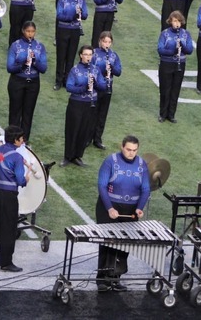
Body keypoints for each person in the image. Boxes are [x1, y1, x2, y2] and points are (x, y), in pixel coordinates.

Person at [95, 136, 150, 291]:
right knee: (107, 242)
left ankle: (116, 277)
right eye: (128, 149)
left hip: (130, 209)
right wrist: (109, 208)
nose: (131, 153)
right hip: (109, 206)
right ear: (122, 147)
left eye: (134, 150)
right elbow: (101, 185)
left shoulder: (142, 165)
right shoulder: (110, 161)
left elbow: (146, 188)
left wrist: (140, 207)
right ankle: (102, 279)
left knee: (123, 243)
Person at [0, 125, 29, 274]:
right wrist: (27, 179)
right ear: (15, 140)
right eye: (21, 139)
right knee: (8, 229)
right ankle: (5, 263)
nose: (22, 141)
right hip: (8, 196)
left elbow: (2, 160)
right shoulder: (17, 157)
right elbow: (20, 180)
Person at [61, 45, 106, 168]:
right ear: (81, 55)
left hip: (90, 104)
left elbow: (103, 85)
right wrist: (84, 88)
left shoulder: (96, 70)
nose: (88, 57)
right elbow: (69, 87)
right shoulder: (75, 70)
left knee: (84, 130)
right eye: (85, 54)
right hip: (76, 104)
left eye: (90, 55)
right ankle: (68, 156)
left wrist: (95, 83)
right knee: (72, 129)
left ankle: (77, 156)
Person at [7, 21, 48, 142]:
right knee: (15, 112)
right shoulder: (15, 45)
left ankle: (24, 140)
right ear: (23, 31)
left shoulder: (40, 46)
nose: (30, 34)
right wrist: (23, 64)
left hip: (33, 83)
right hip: (17, 82)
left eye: (32, 31)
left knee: (28, 113)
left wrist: (34, 61)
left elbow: (43, 69)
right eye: (28, 31)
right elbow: (10, 67)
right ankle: (12, 139)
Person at [157, 11, 193, 123]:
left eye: (179, 21)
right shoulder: (165, 33)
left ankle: (171, 114)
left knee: (175, 90)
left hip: (179, 64)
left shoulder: (186, 34)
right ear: (170, 22)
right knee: (165, 89)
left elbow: (190, 50)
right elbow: (160, 49)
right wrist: (173, 50)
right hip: (166, 64)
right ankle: (163, 114)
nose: (177, 23)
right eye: (175, 21)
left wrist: (182, 45)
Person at [90, 32, 122, 149]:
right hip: (96, 87)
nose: (106, 44)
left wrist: (111, 68)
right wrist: (102, 70)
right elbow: (89, 68)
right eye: (104, 42)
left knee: (102, 114)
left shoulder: (113, 55)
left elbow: (118, 72)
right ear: (100, 41)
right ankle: (87, 138)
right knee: (92, 113)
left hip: (108, 87)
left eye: (109, 42)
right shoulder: (94, 53)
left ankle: (97, 139)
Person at [55, 0, 88, 90]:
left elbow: (85, 15)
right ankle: (58, 80)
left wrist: (81, 13)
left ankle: (67, 80)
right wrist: (72, 16)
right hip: (63, 30)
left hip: (75, 31)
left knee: (71, 56)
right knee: (61, 56)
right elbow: (59, 15)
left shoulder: (81, 0)